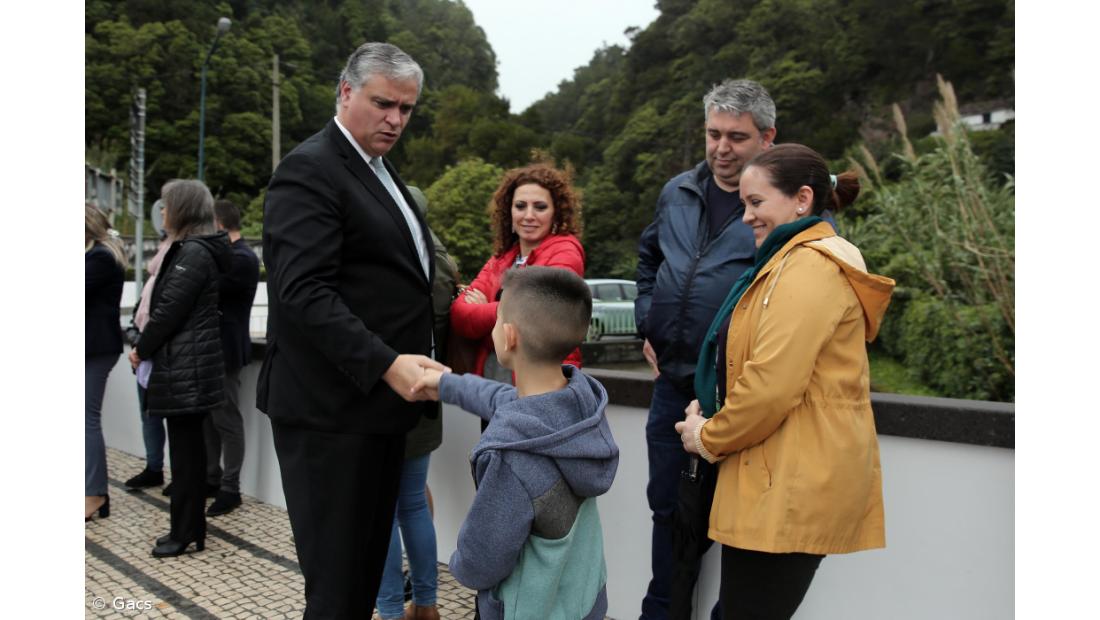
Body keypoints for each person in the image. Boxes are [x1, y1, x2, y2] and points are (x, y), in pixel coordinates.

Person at [258, 41, 446, 618]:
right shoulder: (309, 169)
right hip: (330, 416)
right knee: (338, 589)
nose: (395, 120)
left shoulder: (380, 170)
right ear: (345, 92)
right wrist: (388, 363)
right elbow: (302, 293)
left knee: (364, 579)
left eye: (406, 109)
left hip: (377, 413)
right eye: (383, 103)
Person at [675, 143, 895, 619]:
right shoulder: (786, 263)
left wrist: (706, 436)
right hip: (773, 475)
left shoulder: (809, 267)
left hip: (786, 483)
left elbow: (771, 385)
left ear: (802, 199)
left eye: (756, 203)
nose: (747, 217)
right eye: (744, 205)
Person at [633, 78, 776, 620]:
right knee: (668, 514)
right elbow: (649, 259)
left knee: (741, 526)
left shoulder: (786, 203)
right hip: (673, 388)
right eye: (714, 133)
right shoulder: (678, 190)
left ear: (767, 137)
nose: (721, 148)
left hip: (742, 397)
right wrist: (650, 318)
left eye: (737, 137)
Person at [413, 266, 619, 620]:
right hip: (583, 602)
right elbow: (502, 399)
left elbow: (481, 561)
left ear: (508, 337)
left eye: (496, 318)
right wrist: (446, 384)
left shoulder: (514, 456)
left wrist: (459, 561)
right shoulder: (577, 408)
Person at [129, 179, 232, 557]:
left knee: (187, 459)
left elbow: (168, 310)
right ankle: (188, 528)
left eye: (167, 205)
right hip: (189, 364)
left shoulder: (194, 253)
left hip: (187, 366)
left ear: (183, 210)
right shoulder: (194, 250)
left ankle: (185, 531)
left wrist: (142, 346)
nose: (162, 212)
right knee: (187, 455)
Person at [373, 187, 458, 620]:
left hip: (387, 395)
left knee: (383, 510)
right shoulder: (442, 262)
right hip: (429, 395)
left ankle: (388, 609)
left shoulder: (392, 259)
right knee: (412, 504)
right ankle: (426, 604)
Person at [449, 163, 585, 384]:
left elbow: (538, 312)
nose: (528, 215)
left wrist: (485, 311)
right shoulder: (502, 259)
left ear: (556, 213)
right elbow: (460, 316)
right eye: (520, 206)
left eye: (540, 207)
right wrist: (512, 310)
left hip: (542, 383)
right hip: (494, 379)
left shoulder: (566, 250)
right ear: (509, 211)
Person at [204, 199, 260, 517]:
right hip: (215, 347)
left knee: (227, 418)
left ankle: (230, 487)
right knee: (212, 418)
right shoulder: (231, 256)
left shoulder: (242, 259)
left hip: (226, 348)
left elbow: (209, 288)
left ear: (218, 224)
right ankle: (213, 477)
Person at [86, 204, 127, 522]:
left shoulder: (101, 258)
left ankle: (96, 494)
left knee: (86, 421)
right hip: (90, 347)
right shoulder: (94, 254)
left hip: (96, 349)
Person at [123, 222, 170, 493]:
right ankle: (154, 468)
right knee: (148, 416)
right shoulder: (152, 280)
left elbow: (165, 316)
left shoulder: (171, 274)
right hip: (145, 355)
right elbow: (138, 315)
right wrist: (137, 341)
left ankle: (166, 471)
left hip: (159, 354)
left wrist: (143, 347)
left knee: (169, 419)